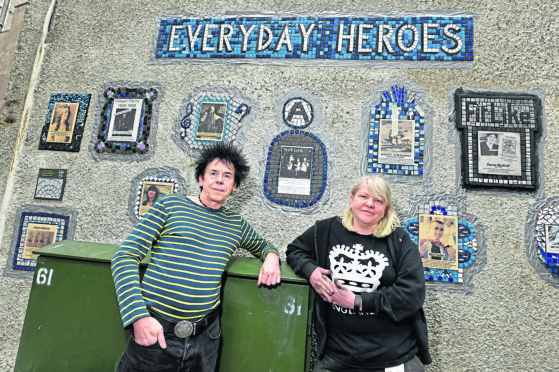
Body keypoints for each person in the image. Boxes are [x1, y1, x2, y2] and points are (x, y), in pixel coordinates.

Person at [112, 142, 281, 372]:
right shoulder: (169, 205)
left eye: (227, 176)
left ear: (234, 186)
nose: (220, 180)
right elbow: (125, 256)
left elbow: (263, 245)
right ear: (201, 179)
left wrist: (272, 256)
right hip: (156, 333)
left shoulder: (236, 225)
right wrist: (138, 318)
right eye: (213, 173)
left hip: (205, 341)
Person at [286, 176, 430, 371]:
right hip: (337, 356)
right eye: (363, 196)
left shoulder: (399, 241)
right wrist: (311, 272)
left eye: (378, 200)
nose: (370, 204)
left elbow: (412, 294)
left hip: (391, 358)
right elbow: (295, 251)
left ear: (386, 209)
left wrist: (358, 301)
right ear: (351, 199)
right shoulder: (326, 230)